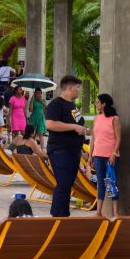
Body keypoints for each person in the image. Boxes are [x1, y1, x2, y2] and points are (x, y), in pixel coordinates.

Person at [45, 75, 85, 217]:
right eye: (77, 88)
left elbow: (79, 125)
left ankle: (63, 213)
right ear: (69, 87)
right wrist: (74, 127)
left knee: (67, 183)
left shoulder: (72, 106)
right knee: (63, 182)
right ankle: (58, 215)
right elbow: (50, 124)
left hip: (73, 151)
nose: (78, 91)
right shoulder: (56, 104)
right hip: (60, 150)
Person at [90, 93, 121, 218]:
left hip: (110, 156)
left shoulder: (115, 119)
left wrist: (113, 154)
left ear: (104, 104)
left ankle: (115, 213)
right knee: (100, 184)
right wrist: (91, 156)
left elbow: (119, 139)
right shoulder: (96, 118)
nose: (96, 104)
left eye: (98, 102)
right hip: (97, 155)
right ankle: (98, 212)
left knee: (111, 182)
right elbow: (93, 138)